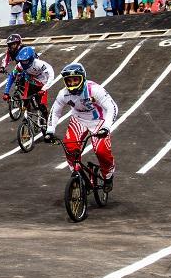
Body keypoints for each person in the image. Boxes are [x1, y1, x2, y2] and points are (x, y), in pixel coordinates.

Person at [43, 63, 118, 192]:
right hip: (78, 120)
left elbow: (112, 107)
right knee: (70, 148)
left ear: (82, 78)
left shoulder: (94, 89)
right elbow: (55, 111)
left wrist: (106, 127)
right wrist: (50, 130)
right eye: (69, 81)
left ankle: (108, 175)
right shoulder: (63, 94)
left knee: (101, 151)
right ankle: (77, 175)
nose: (72, 83)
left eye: (75, 79)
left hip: (98, 121)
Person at [2, 46, 54, 126]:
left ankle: (47, 122)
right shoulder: (20, 65)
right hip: (30, 83)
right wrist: (6, 92)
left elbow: (51, 75)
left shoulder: (39, 64)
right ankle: (28, 120)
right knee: (25, 101)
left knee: (42, 106)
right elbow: (12, 76)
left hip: (41, 84)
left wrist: (44, 89)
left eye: (26, 61)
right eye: (22, 61)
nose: (23, 63)